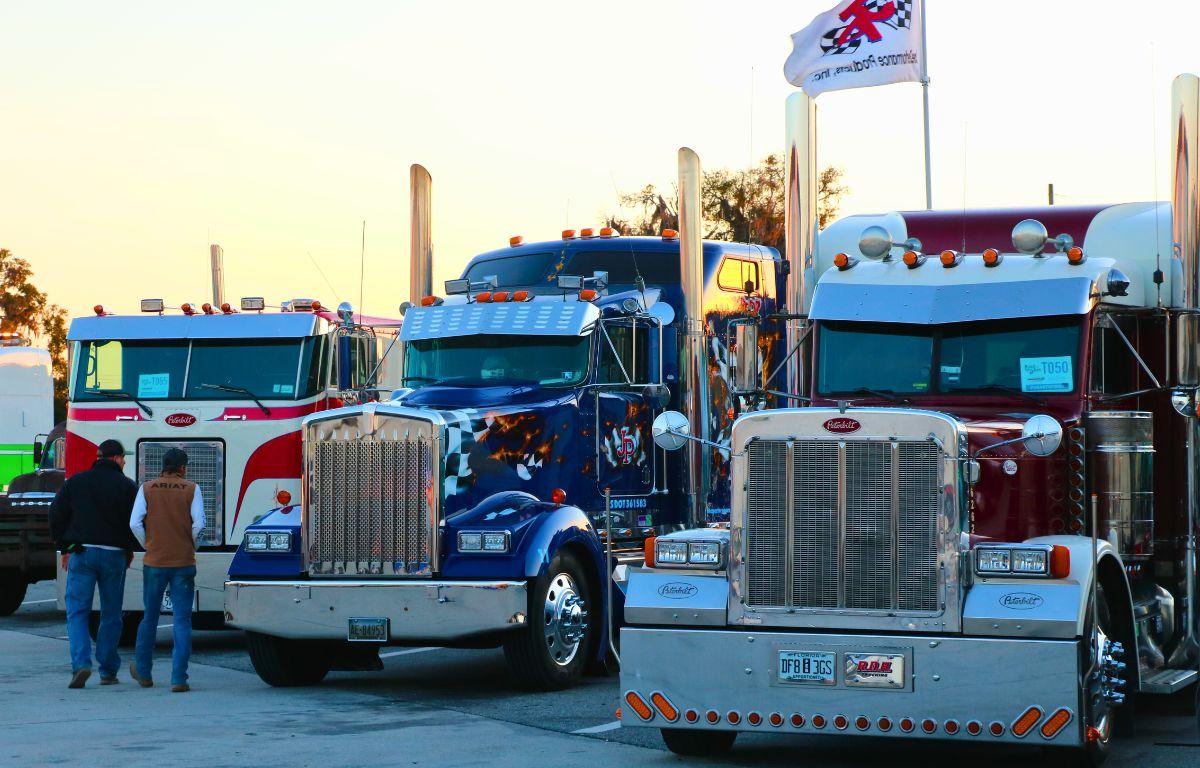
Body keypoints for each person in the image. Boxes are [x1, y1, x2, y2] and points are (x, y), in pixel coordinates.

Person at [49, 439, 139, 689]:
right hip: (114, 556)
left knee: (77, 611)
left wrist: (65, 547)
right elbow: (136, 522)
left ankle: (81, 664)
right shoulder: (127, 486)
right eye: (123, 458)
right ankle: (108, 670)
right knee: (111, 614)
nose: (124, 462)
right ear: (114, 458)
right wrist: (129, 548)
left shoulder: (75, 483)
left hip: (82, 553)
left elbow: (56, 514)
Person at [129, 447, 204, 693]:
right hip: (183, 563)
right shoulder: (192, 489)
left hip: (154, 561)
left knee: (149, 617)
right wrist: (190, 545)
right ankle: (179, 678)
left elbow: (134, 522)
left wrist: (148, 544)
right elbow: (199, 525)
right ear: (183, 468)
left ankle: (144, 671)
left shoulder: (147, 488)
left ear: (163, 466)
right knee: (182, 620)